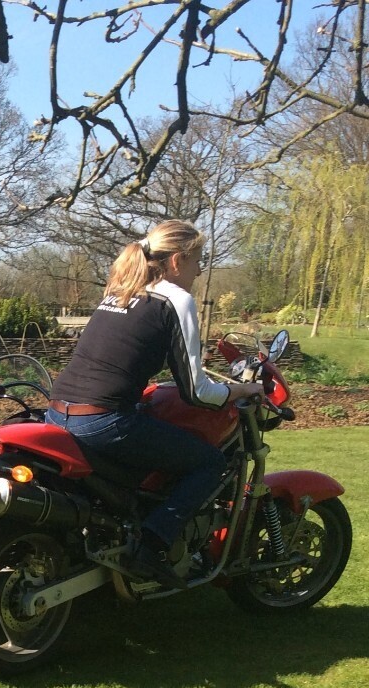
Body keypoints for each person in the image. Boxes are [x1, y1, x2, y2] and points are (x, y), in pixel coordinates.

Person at [44, 220, 264, 588]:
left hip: (58, 412)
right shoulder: (176, 299)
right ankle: (153, 544)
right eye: (198, 261)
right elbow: (195, 391)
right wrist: (240, 391)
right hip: (102, 421)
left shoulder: (119, 292)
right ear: (177, 261)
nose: (199, 271)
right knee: (208, 462)